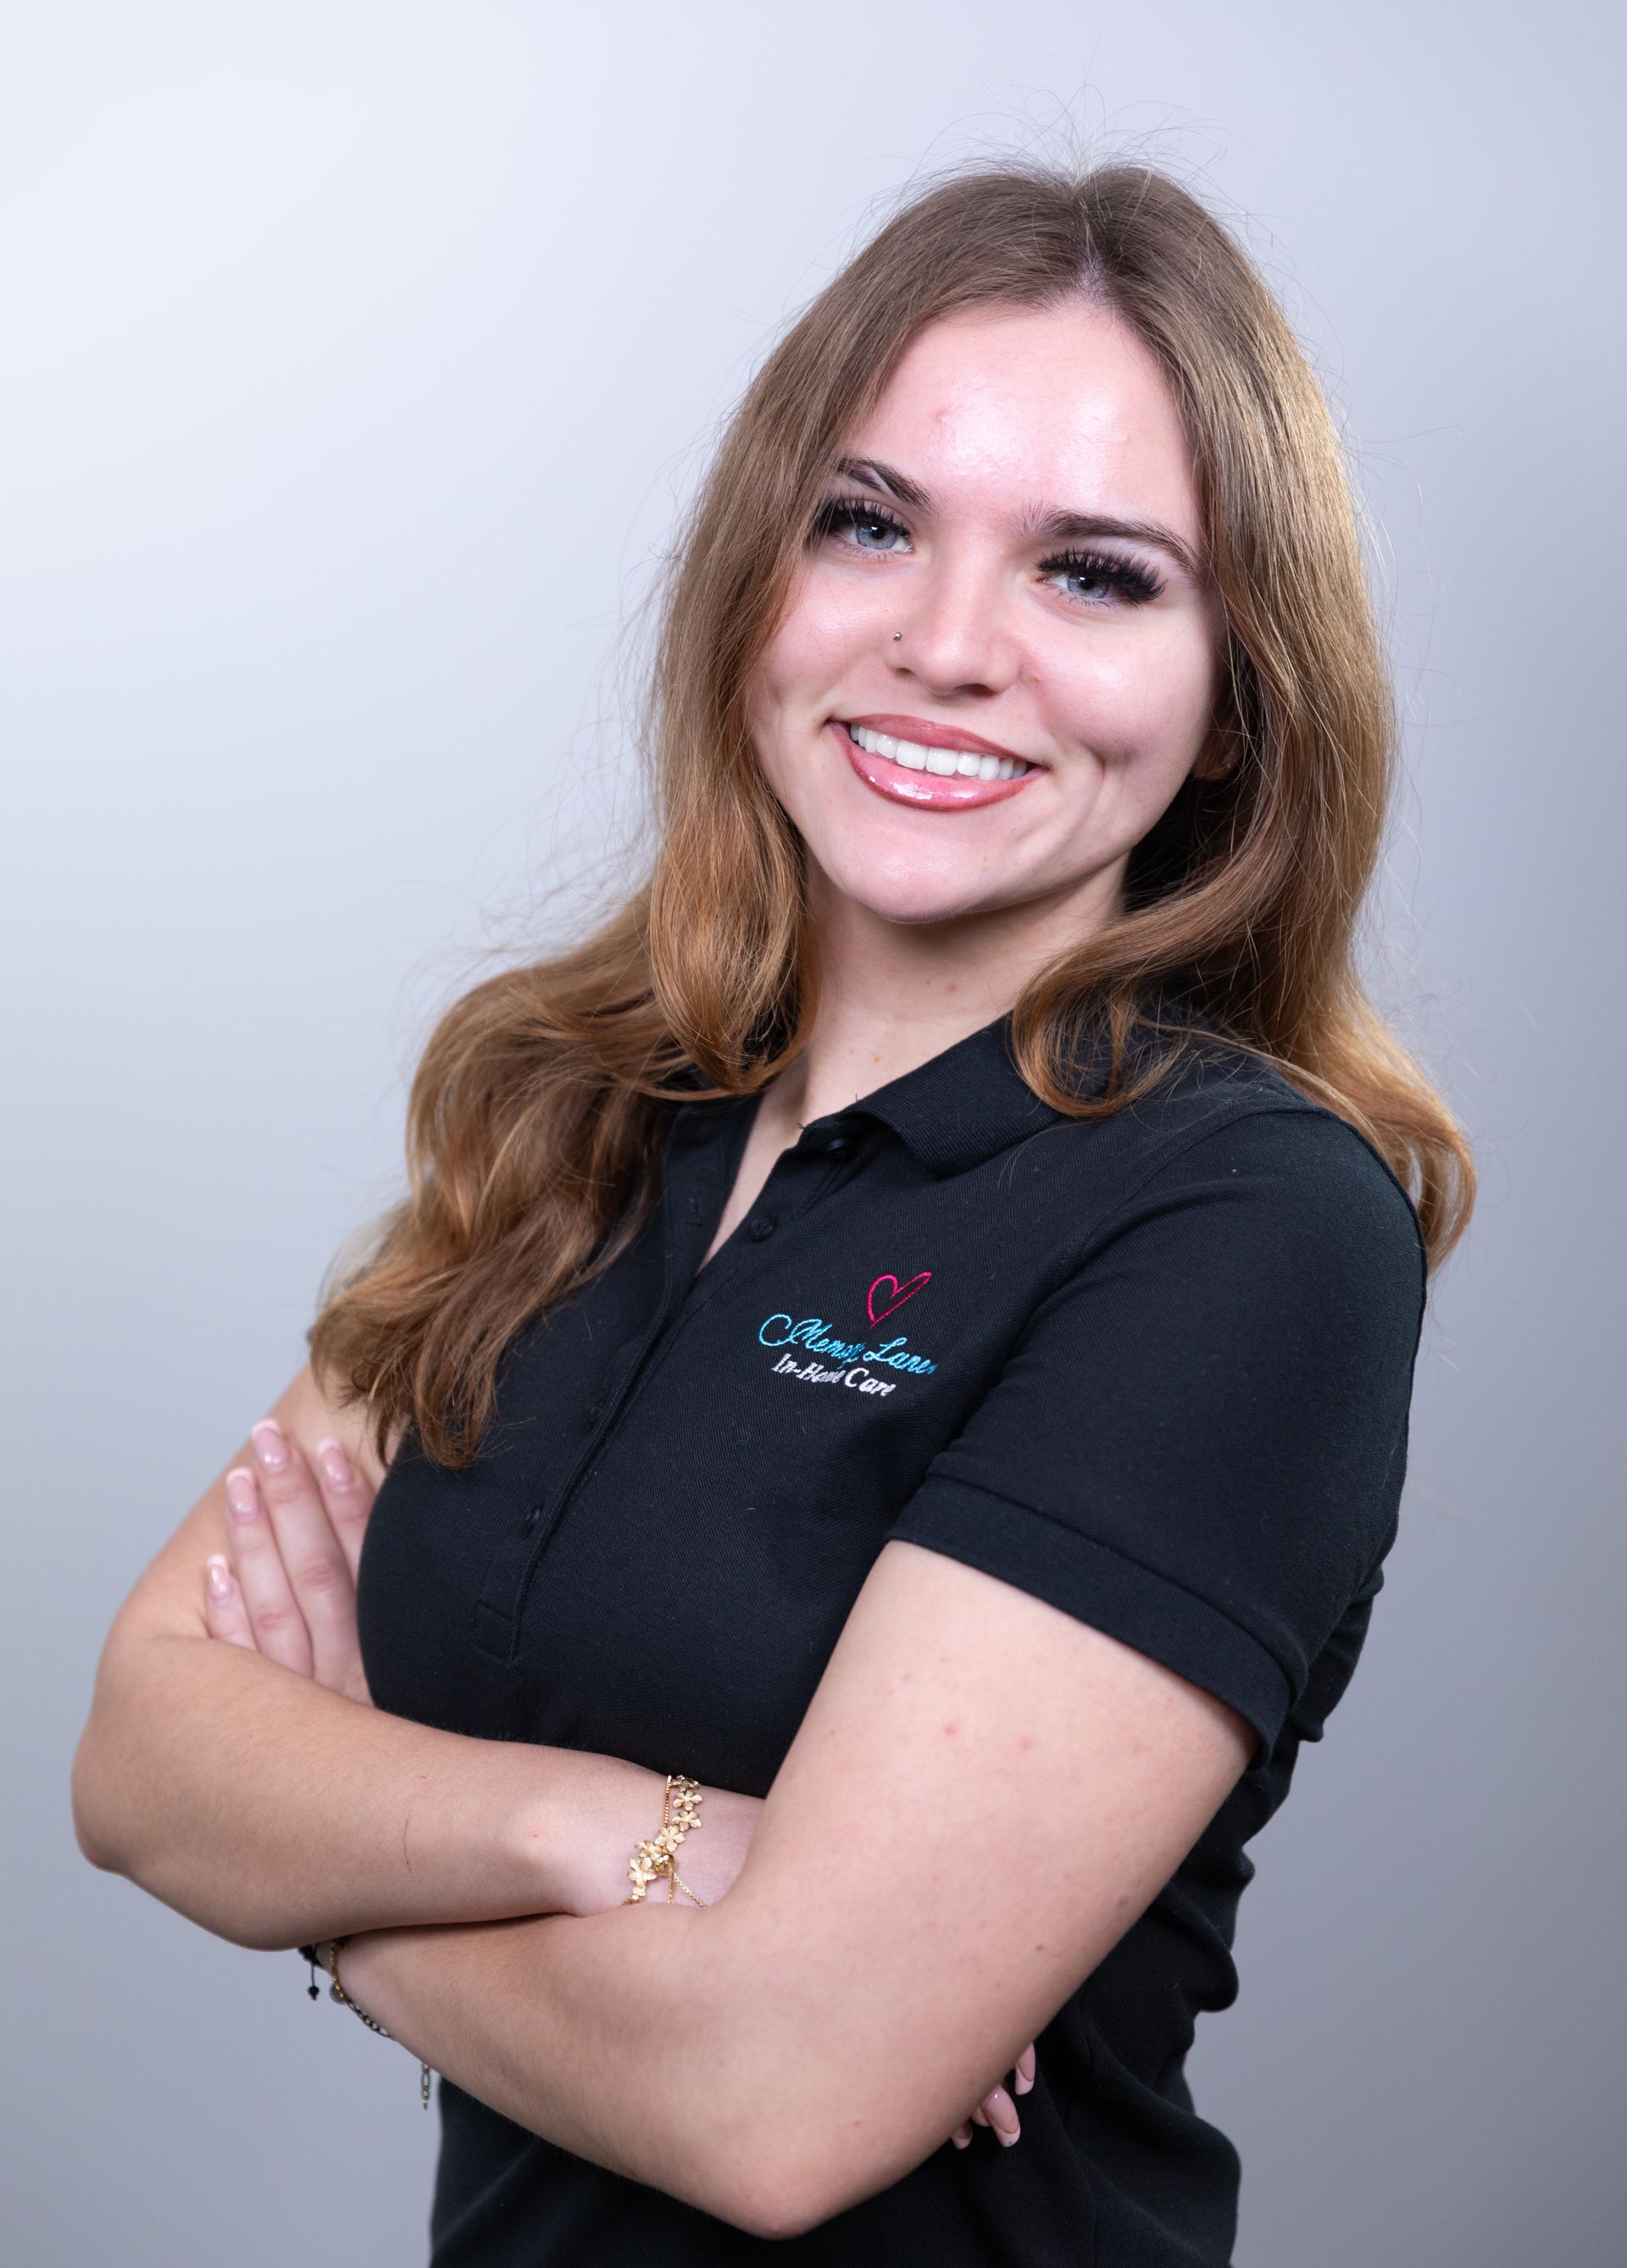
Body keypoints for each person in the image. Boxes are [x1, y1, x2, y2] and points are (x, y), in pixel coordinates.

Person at [71, 158, 1474, 2265]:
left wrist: (325, 1884)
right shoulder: (576, 1116)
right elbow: (139, 1755)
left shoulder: (1250, 1227)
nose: (948, 646)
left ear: (1232, 702)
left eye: (1094, 574)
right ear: (759, 576)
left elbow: (776, 2101)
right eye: (870, 523)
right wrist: (626, 1834)